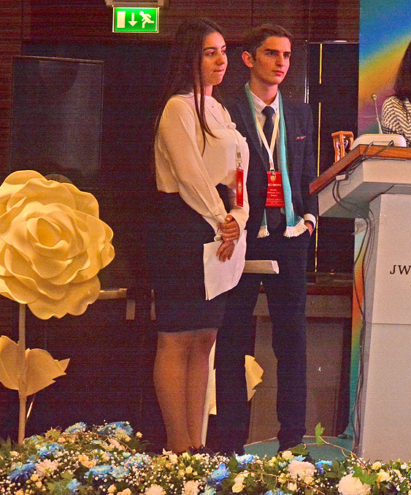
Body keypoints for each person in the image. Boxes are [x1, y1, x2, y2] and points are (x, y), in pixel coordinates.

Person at [211, 24, 317, 454]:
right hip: (242, 236)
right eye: (272, 53)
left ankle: (292, 443)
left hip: (289, 237)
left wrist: (309, 218)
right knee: (232, 341)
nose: (281, 63)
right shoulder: (225, 109)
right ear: (249, 59)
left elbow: (308, 170)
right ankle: (229, 444)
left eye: (287, 55)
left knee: (292, 343)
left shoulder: (300, 113)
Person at [150, 18, 249, 454]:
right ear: (190, 57)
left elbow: (239, 175)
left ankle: (196, 446)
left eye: (223, 51)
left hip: (221, 223)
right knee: (177, 336)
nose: (220, 60)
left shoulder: (220, 109)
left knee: (205, 337)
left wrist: (238, 217)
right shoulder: (178, 107)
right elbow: (190, 176)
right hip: (182, 226)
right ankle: (177, 445)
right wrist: (220, 219)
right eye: (210, 52)